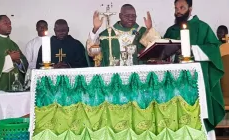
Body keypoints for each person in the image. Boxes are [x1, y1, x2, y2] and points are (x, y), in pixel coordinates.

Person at [164, 0, 225, 134]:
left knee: (200, 112)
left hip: (198, 79)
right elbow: (162, 54)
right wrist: (174, 53)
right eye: (176, 8)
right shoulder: (171, 30)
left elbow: (214, 50)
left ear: (190, 9)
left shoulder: (203, 28)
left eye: (182, 7)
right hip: (176, 81)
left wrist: (192, 50)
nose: (178, 11)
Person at [86, 4, 161, 66]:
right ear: (120, 16)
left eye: (133, 16)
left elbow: (158, 48)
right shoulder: (108, 34)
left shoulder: (141, 32)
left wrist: (150, 29)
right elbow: (92, 52)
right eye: (127, 16)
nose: (131, 19)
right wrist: (95, 29)